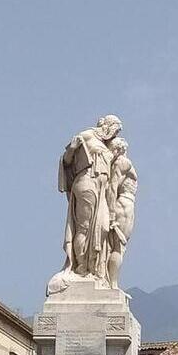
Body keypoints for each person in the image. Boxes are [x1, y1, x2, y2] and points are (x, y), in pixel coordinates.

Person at [58, 115, 122, 283]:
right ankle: (81, 268)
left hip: (101, 190)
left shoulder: (106, 144)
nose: (115, 136)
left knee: (102, 228)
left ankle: (93, 268)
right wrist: (72, 149)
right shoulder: (87, 135)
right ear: (107, 126)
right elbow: (66, 160)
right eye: (115, 130)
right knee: (84, 228)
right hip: (87, 183)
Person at [107, 137, 137, 289]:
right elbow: (112, 188)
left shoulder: (119, 163)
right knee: (118, 247)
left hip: (123, 205)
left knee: (116, 247)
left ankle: (111, 282)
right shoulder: (122, 163)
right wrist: (112, 215)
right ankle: (112, 284)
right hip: (123, 206)